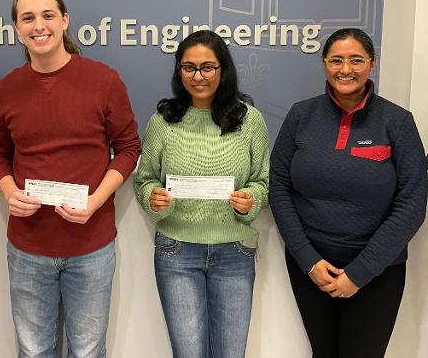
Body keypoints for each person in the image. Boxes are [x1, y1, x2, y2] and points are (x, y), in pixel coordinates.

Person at [0, 0, 141, 358]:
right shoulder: (8, 88)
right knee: (33, 350)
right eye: (27, 18)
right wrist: (9, 192)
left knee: (87, 351)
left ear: (65, 21)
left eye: (47, 15)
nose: (38, 25)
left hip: (91, 245)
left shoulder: (104, 80)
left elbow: (128, 149)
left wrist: (95, 201)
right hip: (28, 247)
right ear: (17, 29)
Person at [270, 28, 427, 358]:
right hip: (312, 269)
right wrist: (308, 259)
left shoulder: (397, 122)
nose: (346, 69)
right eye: (336, 60)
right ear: (324, 64)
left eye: (356, 60)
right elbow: (279, 188)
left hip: (377, 272)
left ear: (372, 64)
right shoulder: (301, 116)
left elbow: (412, 203)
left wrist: (360, 272)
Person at [134, 30, 269, 358]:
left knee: (230, 353)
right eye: (189, 67)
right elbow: (144, 179)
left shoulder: (249, 120)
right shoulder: (163, 121)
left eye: (208, 67)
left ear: (223, 69)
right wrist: (153, 196)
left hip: (234, 252)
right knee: (188, 353)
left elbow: (262, 182)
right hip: (177, 251)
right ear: (179, 71)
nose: (198, 76)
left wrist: (250, 199)